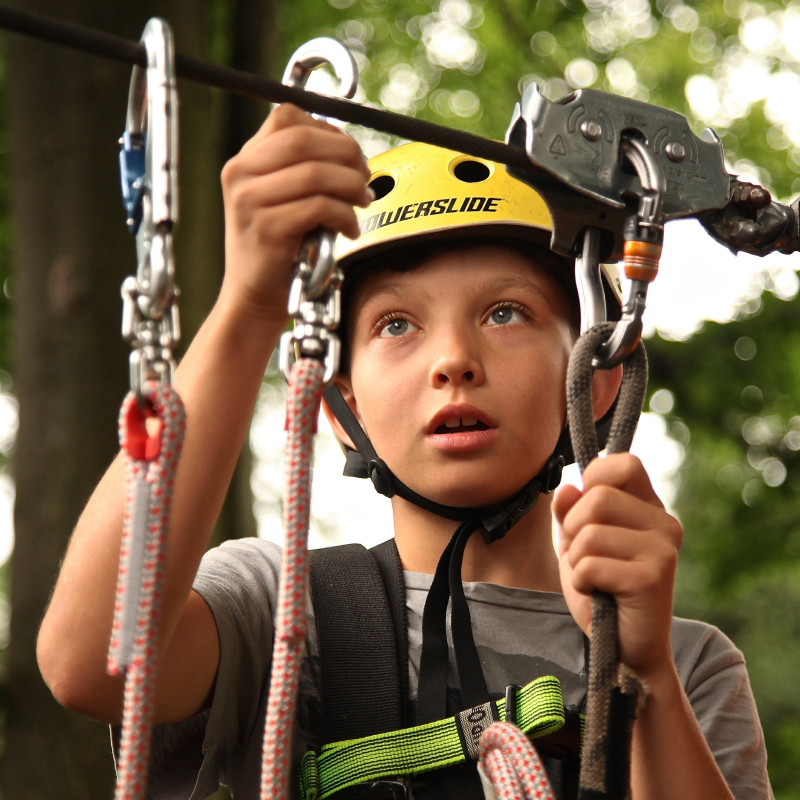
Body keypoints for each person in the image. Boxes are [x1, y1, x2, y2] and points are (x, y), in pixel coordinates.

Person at [36, 104, 772, 800]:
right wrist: (250, 304)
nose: (453, 359)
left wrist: (641, 677)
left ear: (595, 377)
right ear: (343, 408)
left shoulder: (689, 666)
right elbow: (94, 663)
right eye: (395, 325)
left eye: (505, 312)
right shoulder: (283, 612)